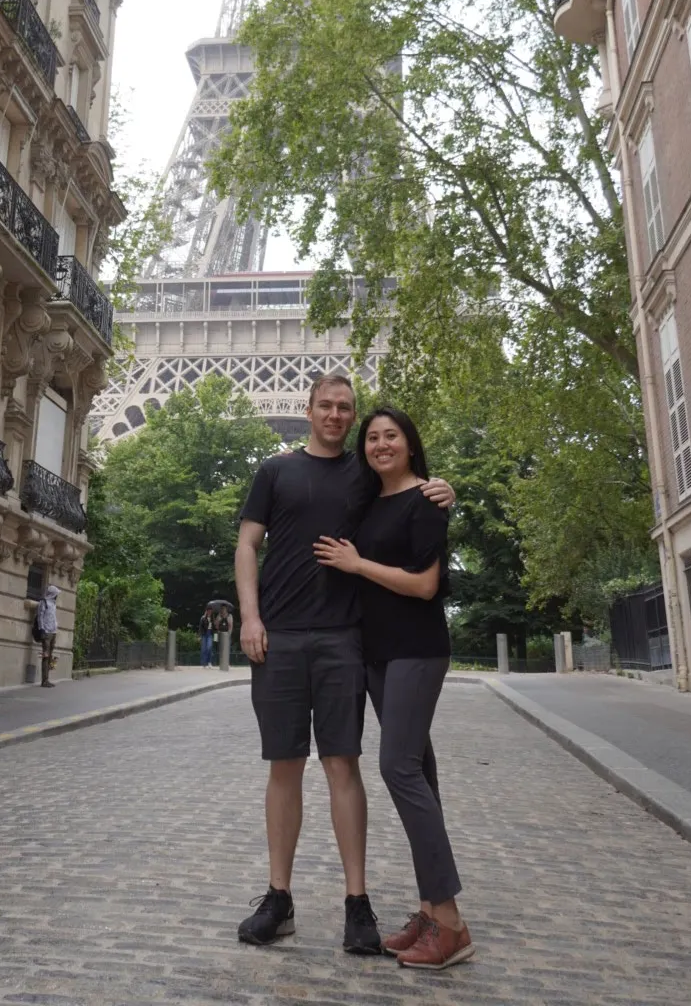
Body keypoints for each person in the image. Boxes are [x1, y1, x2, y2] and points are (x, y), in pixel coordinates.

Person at [234, 373, 455, 953]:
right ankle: (278, 896)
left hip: (342, 638)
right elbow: (246, 545)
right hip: (278, 636)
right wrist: (250, 617)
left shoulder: (367, 473)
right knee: (284, 765)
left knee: (342, 765)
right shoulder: (275, 470)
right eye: (326, 405)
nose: (335, 414)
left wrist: (443, 489)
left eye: (345, 408)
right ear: (307, 410)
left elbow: (407, 491)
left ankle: (357, 902)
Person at [314, 407, 474, 972]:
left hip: (416, 648)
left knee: (398, 768)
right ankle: (432, 911)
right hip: (378, 653)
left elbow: (427, 584)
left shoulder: (425, 499)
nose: (382, 445)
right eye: (373, 438)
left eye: (392, 436)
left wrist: (358, 566)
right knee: (420, 772)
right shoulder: (366, 501)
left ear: (410, 444)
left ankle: (450, 922)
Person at [35, 583, 59, 688]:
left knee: (50, 656)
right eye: (56, 594)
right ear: (53, 594)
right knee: (46, 656)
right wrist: (42, 629)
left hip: (53, 631)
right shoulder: (43, 602)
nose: (57, 595)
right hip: (46, 632)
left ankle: (47, 679)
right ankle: (44, 681)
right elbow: (40, 617)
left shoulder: (53, 604)